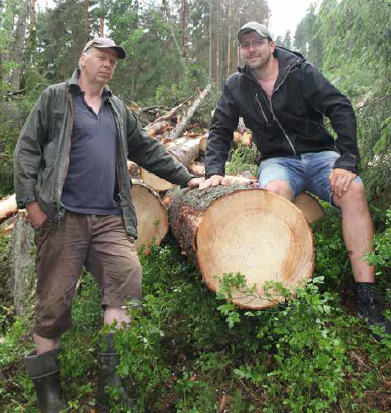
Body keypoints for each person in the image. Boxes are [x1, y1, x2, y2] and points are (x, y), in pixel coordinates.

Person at [14, 37, 203, 412]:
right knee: (53, 303)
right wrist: (30, 203)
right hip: (62, 217)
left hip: (109, 217)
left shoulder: (117, 108)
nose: (107, 65)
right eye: (101, 57)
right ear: (83, 60)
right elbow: (28, 149)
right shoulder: (56, 98)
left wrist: (186, 179)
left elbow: (146, 149)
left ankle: (111, 390)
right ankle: (50, 397)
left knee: (126, 279)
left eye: (112, 61)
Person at [200, 22, 390, 340]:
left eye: (256, 42)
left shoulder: (299, 71)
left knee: (354, 190)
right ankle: (275, 287)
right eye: (245, 44)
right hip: (278, 162)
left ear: (271, 45)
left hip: (320, 155)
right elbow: (220, 128)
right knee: (271, 199)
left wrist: (346, 161)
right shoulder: (236, 85)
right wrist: (213, 171)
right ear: (240, 51)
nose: (251, 49)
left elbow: (340, 107)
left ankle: (367, 297)